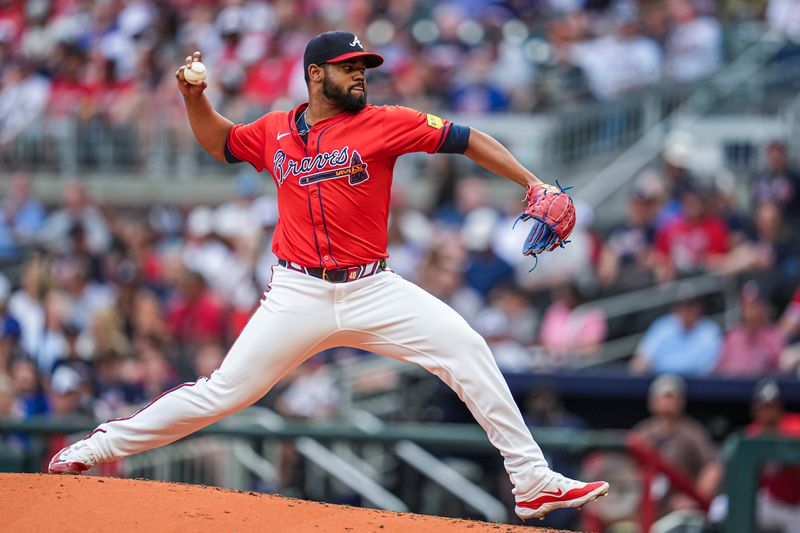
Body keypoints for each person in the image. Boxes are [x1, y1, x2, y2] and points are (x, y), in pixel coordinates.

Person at [47, 32, 608, 520]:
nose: (361, 76)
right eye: (350, 67)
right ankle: (96, 447)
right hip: (298, 292)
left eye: (364, 68)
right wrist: (195, 97)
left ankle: (532, 481)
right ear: (317, 74)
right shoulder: (274, 131)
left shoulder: (385, 124)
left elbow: (466, 138)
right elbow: (219, 140)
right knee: (221, 393)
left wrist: (533, 182)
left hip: (373, 288)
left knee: (466, 347)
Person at [632, 374, 722, 517]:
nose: (666, 403)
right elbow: (625, 469)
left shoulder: (692, 432)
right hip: (645, 504)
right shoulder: (642, 433)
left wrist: (695, 499)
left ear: (681, 401)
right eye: (662, 397)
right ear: (652, 402)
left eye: (671, 397)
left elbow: (712, 468)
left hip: (678, 506)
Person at [745, 378, 800, 532]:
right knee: (721, 508)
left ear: (779, 407)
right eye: (763, 407)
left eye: (772, 407)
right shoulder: (751, 435)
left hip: (796, 507)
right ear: (755, 410)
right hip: (772, 502)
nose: (768, 413)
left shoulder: (796, 426)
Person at [630, 289, 722, 375]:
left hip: (699, 385)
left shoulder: (710, 331)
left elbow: (713, 367)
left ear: (699, 309)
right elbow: (641, 359)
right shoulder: (663, 325)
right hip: (662, 380)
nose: (686, 311)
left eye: (691, 307)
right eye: (682, 307)